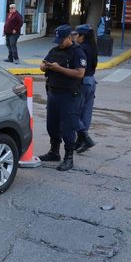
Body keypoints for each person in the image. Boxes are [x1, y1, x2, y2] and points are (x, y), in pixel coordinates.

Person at [38, 25, 87, 171]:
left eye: (61, 40)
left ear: (69, 37)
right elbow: (41, 65)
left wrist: (59, 68)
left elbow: (80, 73)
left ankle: (69, 157)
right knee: (51, 126)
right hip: (53, 93)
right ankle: (54, 152)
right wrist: (46, 67)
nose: (59, 43)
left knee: (68, 128)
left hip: (69, 95)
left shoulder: (78, 52)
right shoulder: (54, 50)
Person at [74, 24, 98, 153]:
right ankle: (81, 139)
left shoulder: (81, 49)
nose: (75, 37)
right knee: (86, 112)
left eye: (77, 35)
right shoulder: (92, 47)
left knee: (72, 111)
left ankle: (85, 137)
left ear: (82, 36)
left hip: (83, 82)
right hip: (91, 81)